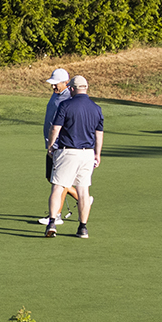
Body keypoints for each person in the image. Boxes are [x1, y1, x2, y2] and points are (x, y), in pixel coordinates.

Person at [45, 74, 103, 239]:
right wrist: (97, 154)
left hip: (68, 151)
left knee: (58, 186)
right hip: (88, 154)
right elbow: (99, 134)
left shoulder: (65, 105)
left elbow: (55, 128)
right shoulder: (96, 108)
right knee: (83, 190)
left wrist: (50, 146)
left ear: (71, 88)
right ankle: (83, 228)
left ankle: (52, 222)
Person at [36, 68, 85, 227]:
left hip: (61, 145)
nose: (52, 87)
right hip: (51, 144)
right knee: (52, 178)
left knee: (59, 181)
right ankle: (82, 197)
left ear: (66, 83)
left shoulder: (68, 98)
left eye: (55, 84)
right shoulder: (56, 94)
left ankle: (56, 215)